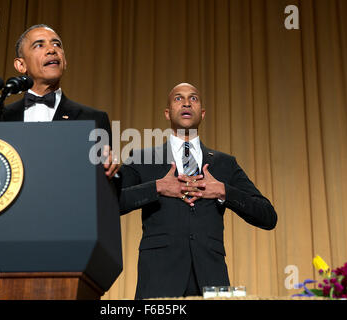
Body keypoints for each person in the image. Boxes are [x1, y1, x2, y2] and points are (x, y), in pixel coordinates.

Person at [118, 83, 277, 299]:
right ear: (167, 113)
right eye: (178, 98)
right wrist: (157, 187)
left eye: (193, 98)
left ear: (202, 114)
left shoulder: (225, 164)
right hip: (158, 281)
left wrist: (223, 191)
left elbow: (268, 216)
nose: (186, 102)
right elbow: (109, 204)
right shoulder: (142, 158)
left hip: (213, 282)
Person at [0, 24, 118, 178]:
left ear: (64, 61)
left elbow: (107, 189)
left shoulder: (93, 119)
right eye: (39, 45)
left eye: (56, 44)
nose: (51, 50)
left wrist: (112, 172)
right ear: (21, 65)